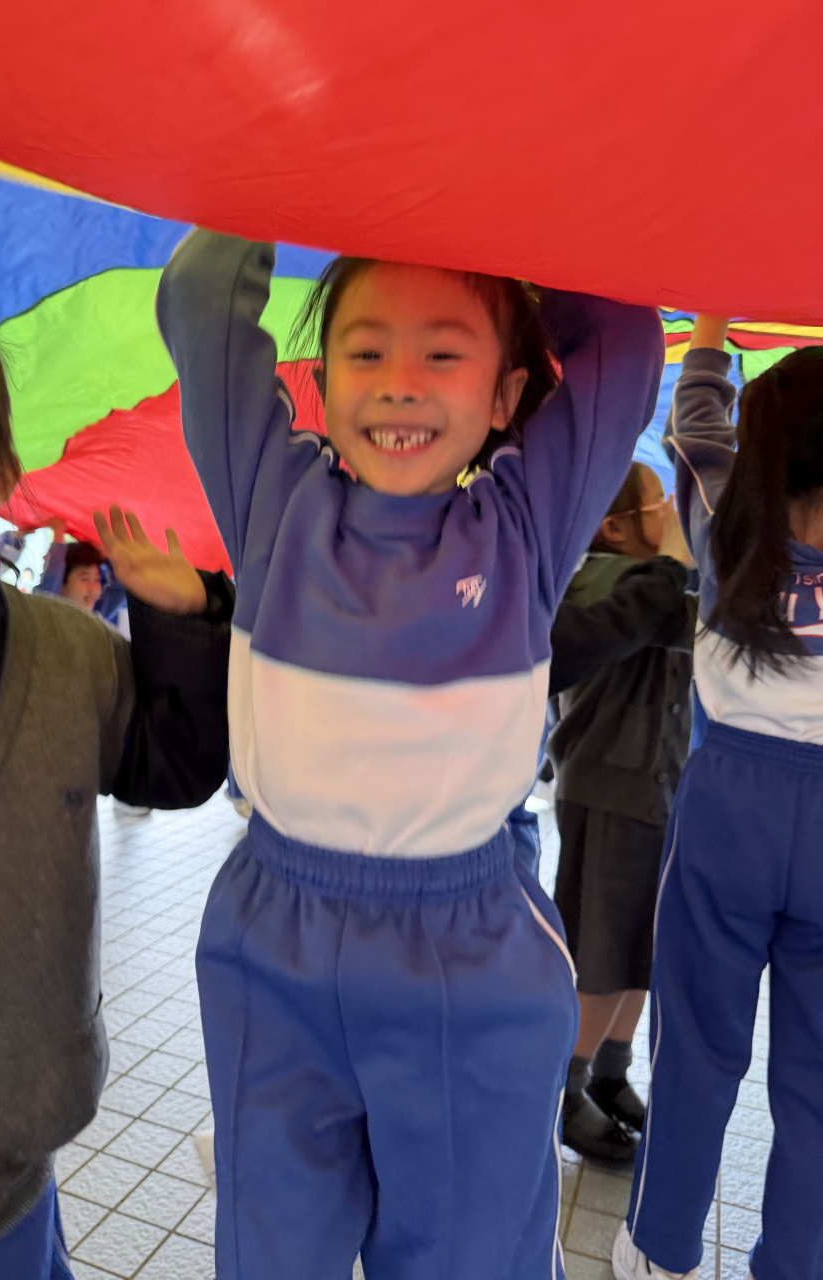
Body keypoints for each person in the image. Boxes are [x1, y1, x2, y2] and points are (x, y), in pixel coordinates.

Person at [157, 229, 664, 1280]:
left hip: (467, 951)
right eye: (366, 351)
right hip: (276, 942)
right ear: (322, 378)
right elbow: (202, 296)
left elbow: (621, 347)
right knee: (272, 1247)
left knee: (469, 1253)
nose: (400, 383)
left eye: (442, 353)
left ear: (506, 392)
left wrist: (497, 203)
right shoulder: (274, 502)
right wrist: (310, 165)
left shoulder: (524, 526)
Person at [0, 296, 234, 1280]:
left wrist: (186, 621)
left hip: (15, 1151)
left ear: (2, 470)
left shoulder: (70, 652)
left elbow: (173, 766)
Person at [613, 319, 823, 1280]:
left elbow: (695, 423)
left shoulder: (723, 522)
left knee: (696, 1045)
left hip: (730, 802)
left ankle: (660, 1249)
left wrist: (709, 327)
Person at [544, 463, 695, 1165]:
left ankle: (610, 1072)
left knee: (639, 946)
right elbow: (671, 614)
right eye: (659, 502)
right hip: (609, 791)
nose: (672, 513)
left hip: (652, 791)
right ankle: (566, 1089)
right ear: (614, 527)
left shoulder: (654, 582)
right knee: (599, 953)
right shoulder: (601, 581)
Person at [35, 519, 129, 635]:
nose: (94, 589)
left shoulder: (95, 615)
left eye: (97, 579)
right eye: (85, 579)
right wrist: (58, 535)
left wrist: (106, 558)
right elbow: (49, 586)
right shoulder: (43, 615)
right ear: (61, 585)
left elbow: (122, 588)